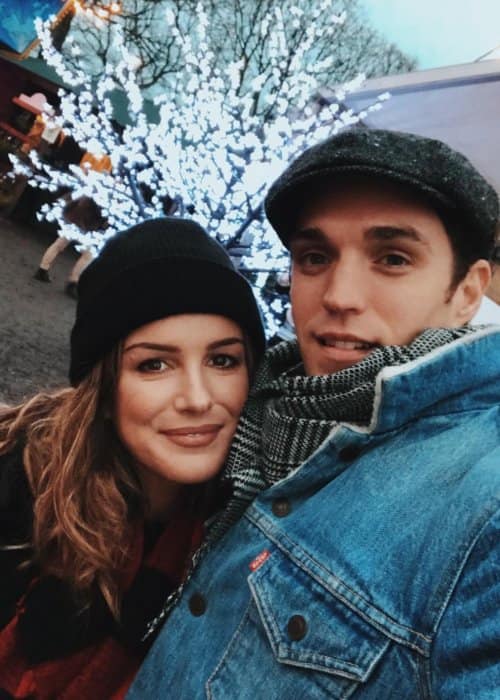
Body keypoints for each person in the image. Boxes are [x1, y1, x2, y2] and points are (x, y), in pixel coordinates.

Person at [128, 128, 500, 699]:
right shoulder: (267, 413)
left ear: (468, 290)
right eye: (315, 257)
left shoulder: (482, 507)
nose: (339, 295)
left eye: (393, 258)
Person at [0, 217, 265, 699]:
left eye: (222, 360)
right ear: (102, 390)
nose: (197, 398)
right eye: (154, 364)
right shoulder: (16, 491)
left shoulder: (246, 532)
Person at [33, 195, 106, 299]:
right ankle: (72, 283)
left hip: (73, 220)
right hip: (86, 226)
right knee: (88, 255)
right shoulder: (108, 193)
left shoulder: (92, 185)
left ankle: (42, 270)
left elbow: (71, 199)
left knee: (58, 245)